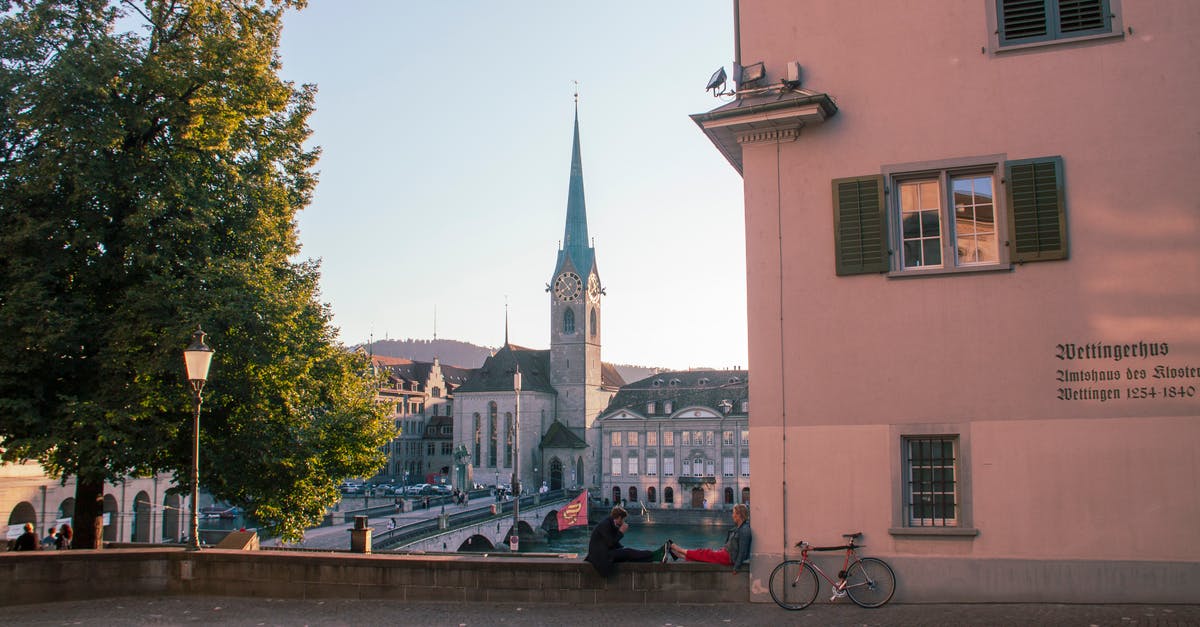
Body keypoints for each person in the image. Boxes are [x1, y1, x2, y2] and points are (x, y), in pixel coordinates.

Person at [667, 503, 752, 574]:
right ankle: (681, 556)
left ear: (739, 515)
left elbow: (743, 551)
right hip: (726, 553)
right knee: (705, 554)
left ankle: (680, 550)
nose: (732, 515)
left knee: (705, 553)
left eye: (734, 513)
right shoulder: (740, 528)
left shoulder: (745, 530)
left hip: (728, 557)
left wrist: (736, 568)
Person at [584, 506, 668, 577]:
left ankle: (656, 556)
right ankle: (655, 554)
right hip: (600, 558)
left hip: (604, 554)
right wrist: (621, 532)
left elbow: (614, 543)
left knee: (629, 554)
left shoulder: (609, 524)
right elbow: (610, 543)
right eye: (623, 520)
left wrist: (622, 548)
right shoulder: (605, 525)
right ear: (619, 518)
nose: (623, 522)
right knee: (628, 553)